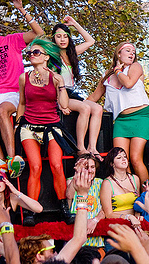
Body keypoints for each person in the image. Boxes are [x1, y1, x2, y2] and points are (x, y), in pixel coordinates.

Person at [16, 37, 76, 224]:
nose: (31, 55)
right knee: (35, 167)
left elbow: (64, 104)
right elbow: (22, 104)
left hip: (52, 126)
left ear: (46, 57)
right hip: (30, 127)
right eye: (29, 53)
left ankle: (64, 208)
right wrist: (17, 124)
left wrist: (61, 84)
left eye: (35, 52)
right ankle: (31, 211)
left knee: (57, 166)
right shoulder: (23, 78)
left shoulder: (56, 78)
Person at [87, 42, 149, 183]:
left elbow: (128, 83)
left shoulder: (135, 67)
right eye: (128, 50)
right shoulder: (107, 75)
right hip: (121, 121)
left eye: (133, 52)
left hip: (141, 117)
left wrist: (118, 70)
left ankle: (148, 194)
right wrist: (72, 105)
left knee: (135, 159)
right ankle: (131, 193)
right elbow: (93, 97)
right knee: (122, 162)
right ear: (118, 54)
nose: (132, 54)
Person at [0, 0, 43, 172]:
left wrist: (22, 10)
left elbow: (39, 33)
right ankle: (0, 160)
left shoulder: (12, 40)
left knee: (1, 111)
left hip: (13, 92)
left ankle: (11, 159)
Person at [52, 16, 103, 160]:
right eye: (58, 36)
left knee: (97, 108)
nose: (62, 39)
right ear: (53, 39)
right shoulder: (50, 56)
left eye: (65, 36)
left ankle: (92, 147)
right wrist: (61, 104)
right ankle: (80, 147)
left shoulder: (71, 53)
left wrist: (74, 24)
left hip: (72, 94)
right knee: (85, 108)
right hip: (59, 94)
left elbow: (90, 41)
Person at [66, 153, 105, 246]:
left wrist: (95, 220)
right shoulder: (72, 181)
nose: (90, 170)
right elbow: (69, 195)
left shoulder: (100, 183)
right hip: (75, 238)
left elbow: (106, 208)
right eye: (86, 167)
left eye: (92, 167)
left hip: (96, 239)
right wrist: (78, 172)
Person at [100, 147, 141, 228]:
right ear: (112, 164)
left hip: (135, 224)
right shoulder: (107, 183)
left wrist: (137, 216)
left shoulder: (135, 179)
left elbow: (138, 205)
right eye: (119, 157)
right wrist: (128, 217)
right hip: (117, 225)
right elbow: (108, 214)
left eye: (125, 156)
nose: (123, 159)